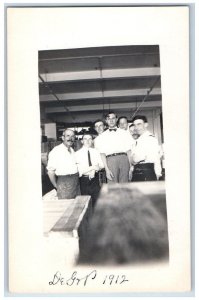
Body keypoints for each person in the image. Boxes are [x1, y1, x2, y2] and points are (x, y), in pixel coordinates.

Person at [97, 112, 132, 183]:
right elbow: (102, 154)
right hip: (110, 160)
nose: (111, 120)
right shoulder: (102, 136)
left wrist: (131, 167)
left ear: (116, 119)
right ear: (106, 121)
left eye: (113, 118)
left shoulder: (124, 133)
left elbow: (129, 150)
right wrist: (107, 169)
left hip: (124, 159)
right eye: (109, 119)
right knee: (112, 186)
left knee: (125, 185)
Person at [46, 129, 80, 199]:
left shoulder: (72, 150)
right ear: (63, 137)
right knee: (66, 206)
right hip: (64, 183)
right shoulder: (56, 151)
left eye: (73, 136)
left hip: (76, 182)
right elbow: (50, 172)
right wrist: (56, 185)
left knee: (76, 205)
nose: (70, 138)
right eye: (68, 136)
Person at [75, 134, 104, 208]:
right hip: (84, 180)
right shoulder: (77, 154)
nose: (87, 141)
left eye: (90, 139)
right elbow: (80, 170)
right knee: (85, 202)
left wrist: (94, 170)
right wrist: (93, 167)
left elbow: (102, 165)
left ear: (92, 141)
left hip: (95, 180)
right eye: (85, 139)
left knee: (97, 202)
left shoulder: (96, 152)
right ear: (82, 141)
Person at [129, 115, 162, 181]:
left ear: (146, 124)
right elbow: (133, 159)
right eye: (135, 125)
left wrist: (158, 174)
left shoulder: (150, 139)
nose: (136, 127)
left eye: (139, 124)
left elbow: (156, 158)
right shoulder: (138, 140)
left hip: (147, 171)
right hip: (137, 170)